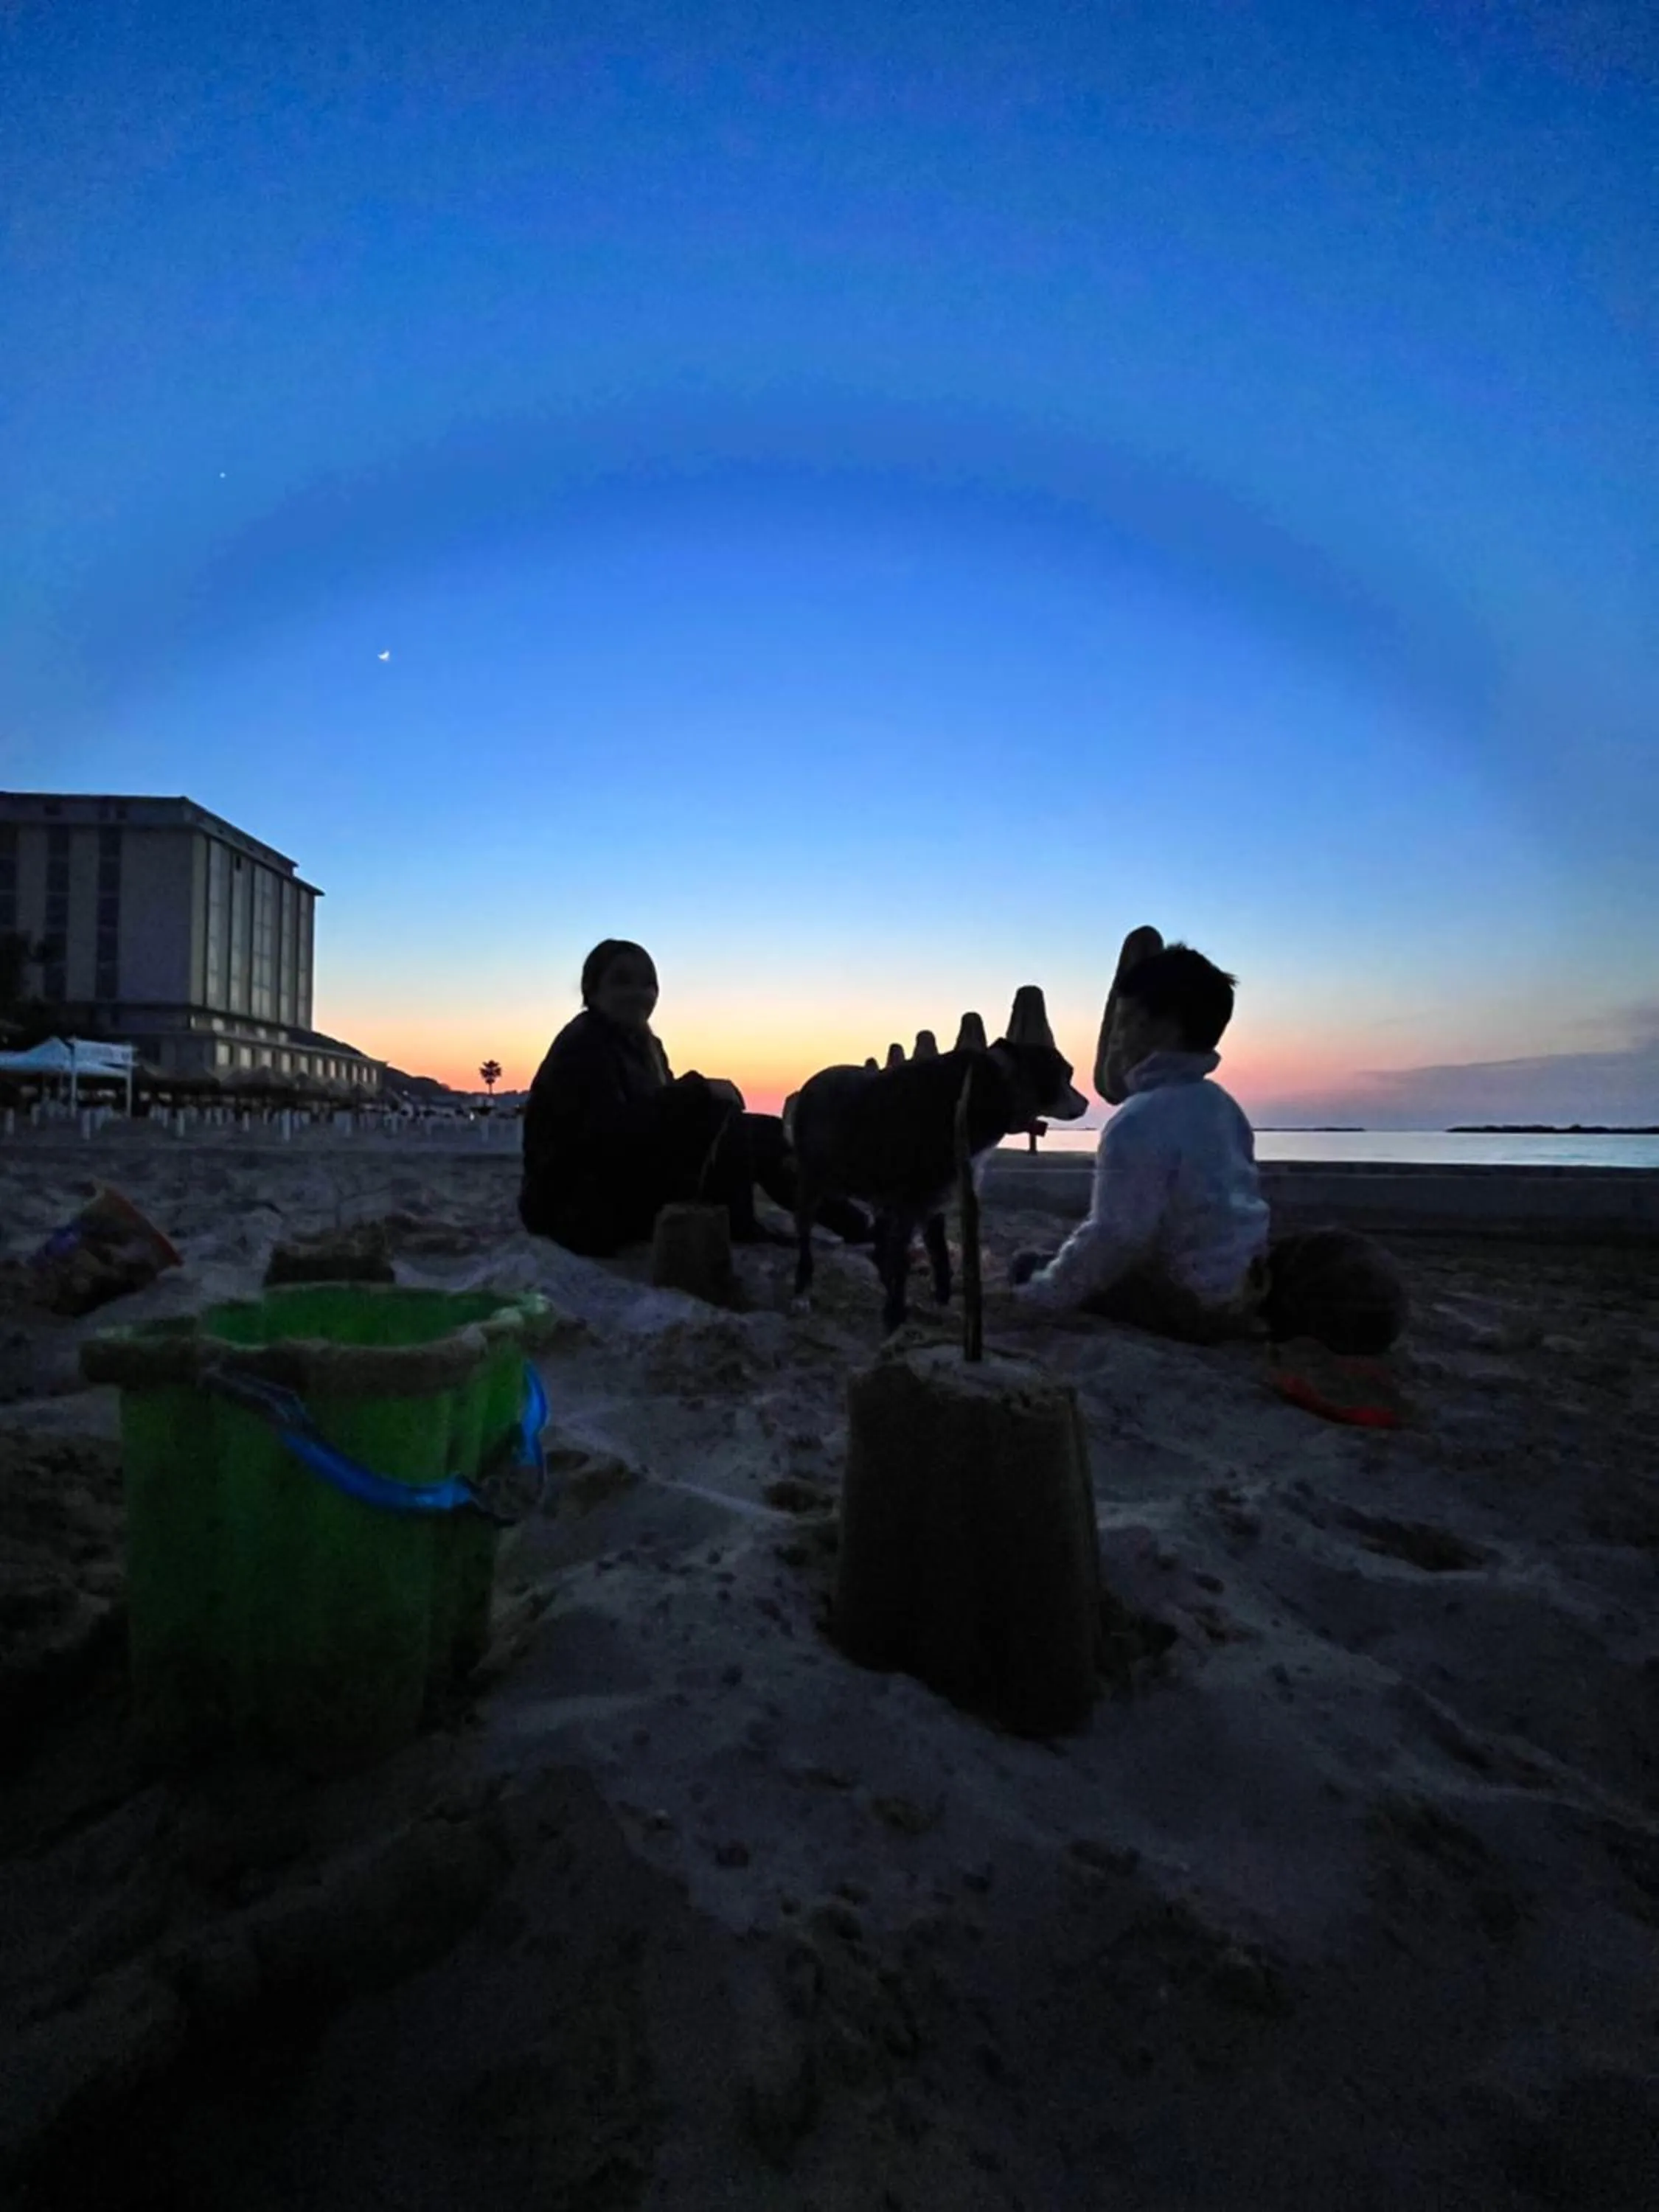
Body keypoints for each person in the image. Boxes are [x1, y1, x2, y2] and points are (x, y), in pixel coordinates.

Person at [1008, 942, 1408, 1352]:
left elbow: (1116, 1236)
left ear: (1161, 1028)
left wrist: (1045, 1294)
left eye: (1126, 1023)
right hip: (1244, 1284)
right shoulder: (1222, 1106)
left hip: (1190, 1304)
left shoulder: (1137, 1120)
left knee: (1029, 1265)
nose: (1117, 1040)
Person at [519, 938, 872, 1258]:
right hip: (578, 1208)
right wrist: (698, 1092)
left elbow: (660, 1118)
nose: (639, 993)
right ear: (592, 991)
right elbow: (606, 1134)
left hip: (623, 1181)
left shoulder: (646, 1045)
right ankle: (741, 1227)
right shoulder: (583, 1045)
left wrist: (698, 1100)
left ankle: (859, 1227)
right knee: (725, 1119)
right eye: (622, 981)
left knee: (762, 1133)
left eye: (648, 983)